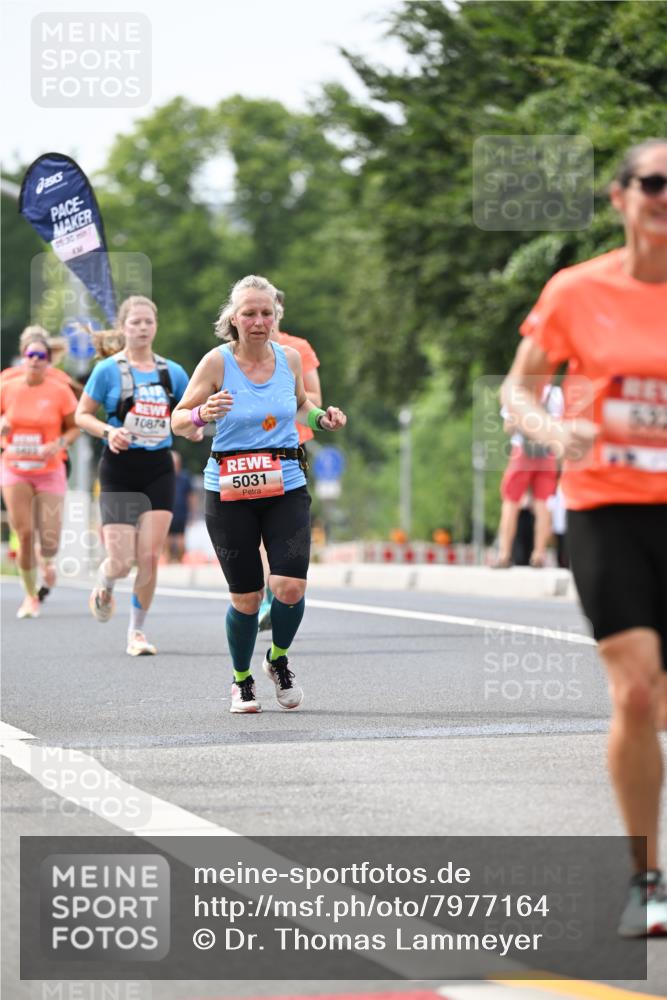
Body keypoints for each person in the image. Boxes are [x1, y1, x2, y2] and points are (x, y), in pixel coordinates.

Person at [502, 139, 667, 936]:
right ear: (619, 197)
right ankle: (647, 879)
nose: (664, 195)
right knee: (633, 691)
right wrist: (544, 429)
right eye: (654, 182)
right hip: (606, 506)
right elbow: (520, 385)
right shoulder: (577, 290)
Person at [171, 274, 346, 714]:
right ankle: (241, 680)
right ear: (233, 318)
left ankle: (278, 659)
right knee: (247, 598)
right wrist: (201, 412)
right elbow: (178, 421)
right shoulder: (215, 363)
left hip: (285, 480)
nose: (258, 321)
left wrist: (324, 417)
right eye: (249, 313)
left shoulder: (289, 359)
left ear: (276, 317)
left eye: (266, 313)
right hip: (229, 488)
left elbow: (303, 403)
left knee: (289, 585)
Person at [75, 295, 199, 656]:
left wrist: (193, 427)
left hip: (158, 468)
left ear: (155, 326)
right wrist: (107, 432)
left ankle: (136, 632)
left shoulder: (172, 372)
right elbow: (82, 415)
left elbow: (188, 416)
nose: (142, 328)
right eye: (135, 322)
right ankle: (106, 582)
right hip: (119, 468)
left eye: (148, 322)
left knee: (148, 556)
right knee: (121, 559)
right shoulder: (107, 370)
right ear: (124, 328)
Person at [0, 333, 79, 617]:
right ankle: (30, 596)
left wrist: (58, 443)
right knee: (23, 533)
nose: (35, 361)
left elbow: (74, 426)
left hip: (49, 469)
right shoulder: (6, 386)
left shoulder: (58, 390)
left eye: (41, 356)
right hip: (14, 467)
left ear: (48, 361)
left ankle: (46, 560)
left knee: (49, 540)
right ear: (23, 357)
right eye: (30, 355)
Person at [257, 288, 323, 629]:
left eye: (271, 307)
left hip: (290, 445)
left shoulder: (298, 348)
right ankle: (267, 592)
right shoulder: (235, 354)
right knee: (255, 525)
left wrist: (277, 393)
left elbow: (312, 396)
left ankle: (280, 592)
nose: (265, 316)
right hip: (253, 448)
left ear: (278, 310)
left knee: (281, 524)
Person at [494, 384, 563, 568]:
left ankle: (504, 554)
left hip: (521, 453)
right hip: (547, 452)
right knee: (544, 505)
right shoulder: (556, 394)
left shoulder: (517, 391)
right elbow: (559, 425)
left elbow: (508, 426)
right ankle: (539, 554)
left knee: (511, 502)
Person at [164, 450, 195, 563]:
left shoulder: (185, 477)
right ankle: (168, 560)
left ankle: (180, 560)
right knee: (166, 537)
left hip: (181, 512)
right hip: (167, 511)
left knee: (181, 538)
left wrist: (192, 513)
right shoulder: (164, 477)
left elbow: (191, 496)